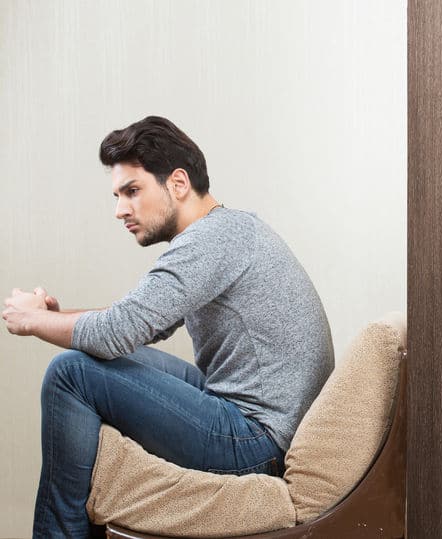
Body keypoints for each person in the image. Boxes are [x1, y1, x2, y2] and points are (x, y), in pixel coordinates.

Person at [2, 116, 334, 538]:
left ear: (178, 183)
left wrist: (35, 320)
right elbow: (136, 323)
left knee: (70, 374)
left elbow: (118, 328)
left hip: (257, 441)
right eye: (117, 195)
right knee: (95, 354)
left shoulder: (211, 240)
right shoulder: (228, 231)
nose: (119, 209)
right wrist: (58, 317)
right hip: (257, 419)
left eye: (132, 191)